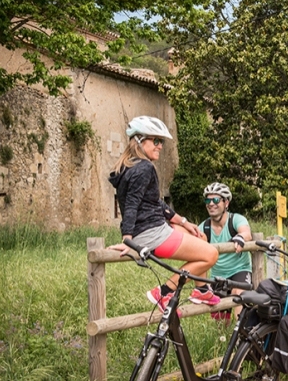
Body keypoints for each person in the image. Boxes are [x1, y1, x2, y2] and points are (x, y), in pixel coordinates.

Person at [107, 115, 220, 310]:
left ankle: (201, 291)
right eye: (156, 141)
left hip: (152, 229)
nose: (160, 146)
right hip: (152, 234)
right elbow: (131, 205)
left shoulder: (130, 166)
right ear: (140, 141)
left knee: (199, 237)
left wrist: (183, 222)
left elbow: (155, 203)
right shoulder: (144, 168)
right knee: (211, 254)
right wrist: (128, 240)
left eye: (161, 142)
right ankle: (165, 291)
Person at [198, 182, 253, 321]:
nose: (211, 204)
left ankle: (242, 337)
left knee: (238, 294)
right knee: (220, 319)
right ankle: (224, 342)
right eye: (207, 200)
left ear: (226, 203)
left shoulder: (235, 219)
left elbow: (246, 233)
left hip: (239, 270)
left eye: (216, 200)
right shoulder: (204, 227)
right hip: (218, 275)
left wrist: (240, 237)